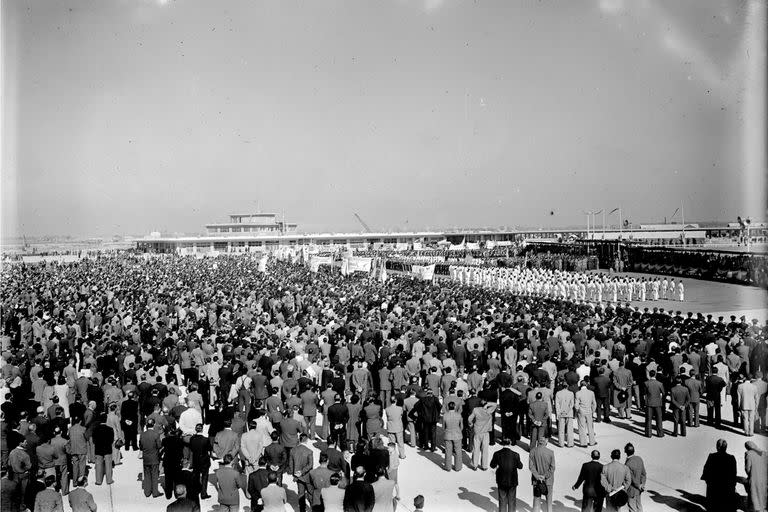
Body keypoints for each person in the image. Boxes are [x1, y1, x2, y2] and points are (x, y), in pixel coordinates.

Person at [701, 439, 737, 512]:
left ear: (717, 447)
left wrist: (708, 481)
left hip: (714, 488)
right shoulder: (731, 458)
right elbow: (734, 473)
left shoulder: (712, 456)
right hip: (727, 488)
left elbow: (706, 470)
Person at [490, 438, 523, 512]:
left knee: (502, 500)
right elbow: (520, 466)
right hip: (512, 480)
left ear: (502, 444)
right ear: (510, 443)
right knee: (512, 500)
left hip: (501, 480)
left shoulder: (497, 454)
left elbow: (492, 465)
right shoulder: (515, 455)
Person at [468, 398, 497, 470]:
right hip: (485, 432)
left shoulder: (476, 410)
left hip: (477, 431)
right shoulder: (489, 410)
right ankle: (484, 466)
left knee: (476, 448)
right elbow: (495, 404)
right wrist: (488, 404)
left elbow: (469, 419)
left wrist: (471, 424)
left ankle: (475, 465)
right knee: (485, 449)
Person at [529, 438, 555, 512]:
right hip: (548, 480)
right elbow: (552, 468)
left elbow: (531, 466)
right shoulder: (550, 452)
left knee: (536, 500)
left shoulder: (532, 451)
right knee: (549, 501)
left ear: (538, 442)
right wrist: (544, 476)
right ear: (545, 443)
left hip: (536, 480)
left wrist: (537, 476)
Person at [290, 434, 314, 512]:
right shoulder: (309, 451)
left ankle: (302, 510)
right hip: (307, 476)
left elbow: (290, 464)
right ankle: (312, 508)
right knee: (310, 493)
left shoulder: (293, 450)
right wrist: (302, 472)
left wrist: (295, 473)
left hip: (298, 476)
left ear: (299, 440)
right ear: (306, 440)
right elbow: (310, 465)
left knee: (301, 494)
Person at [140, 418, 163, 498]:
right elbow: (159, 446)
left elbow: (141, 446)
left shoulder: (142, 434)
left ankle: (147, 492)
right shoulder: (156, 434)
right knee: (154, 475)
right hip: (154, 457)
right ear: (153, 424)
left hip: (146, 457)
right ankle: (155, 492)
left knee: (147, 475)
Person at [745, 441, 767, 512]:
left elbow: (747, 468)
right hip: (764, 478)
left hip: (754, 478)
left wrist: (750, 475)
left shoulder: (748, 454)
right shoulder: (764, 453)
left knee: (753, 495)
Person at [623, 444, 645, 512]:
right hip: (639, 489)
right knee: (639, 506)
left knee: (632, 508)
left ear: (626, 452)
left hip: (632, 490)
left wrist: (638, 485)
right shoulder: (639, 459)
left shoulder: (628, 464)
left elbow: (631, 478)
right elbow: (644, 474)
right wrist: (642, 484)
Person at [442, 400, 463, 472]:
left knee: (448, 451)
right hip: (457, 434)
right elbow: (461, 426)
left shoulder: (445, 415)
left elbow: (443, 427)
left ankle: (448, 467)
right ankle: (458, 467)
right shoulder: (459, 415)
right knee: (458, 451)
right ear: (455, 407)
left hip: (448, 434)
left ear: (448, 407)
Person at [643, 371, 665, 438]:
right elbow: (663, 393)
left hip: (649, 402)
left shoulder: (646, 383)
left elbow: (644, 393)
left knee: (648, 419)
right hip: (658, 403)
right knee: (659, 419)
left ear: (649, 375)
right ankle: (660, 433)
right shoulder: (660, 384)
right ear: (655, 375)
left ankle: (648, 433)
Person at [575, 381, 597, 447]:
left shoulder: (578, 393)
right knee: (590, 427)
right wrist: (592, 411)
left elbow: (576, 404)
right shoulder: (591, 392)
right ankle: (592, 442)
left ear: (580, 385)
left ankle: (583, 443)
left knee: (582, 427)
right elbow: (594, 403)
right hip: (589, 411)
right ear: (586, 385)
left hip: (581, 411)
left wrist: (577, 410)